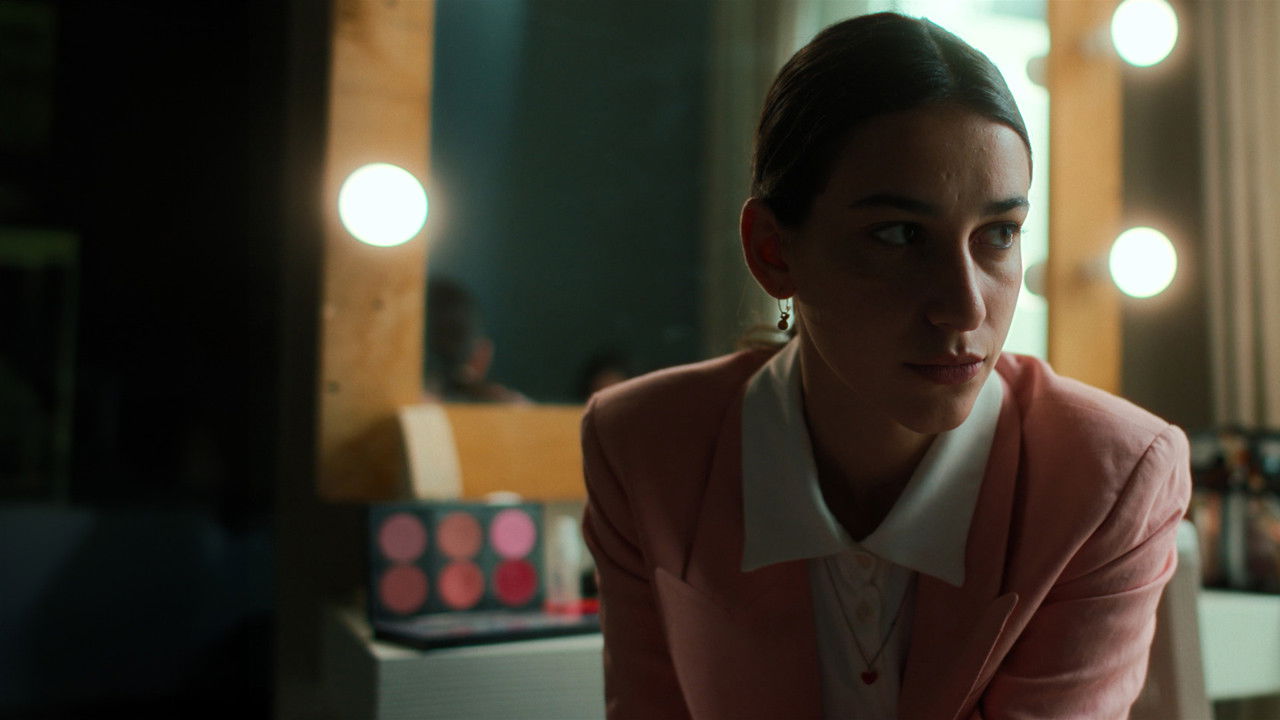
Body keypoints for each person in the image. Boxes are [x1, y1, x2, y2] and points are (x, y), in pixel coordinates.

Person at [580, 12, 1190, 720]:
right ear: (773, 251)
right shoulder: (645, 448)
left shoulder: (1107, 476)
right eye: (900, 235)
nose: (964, 308)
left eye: (999, 233)